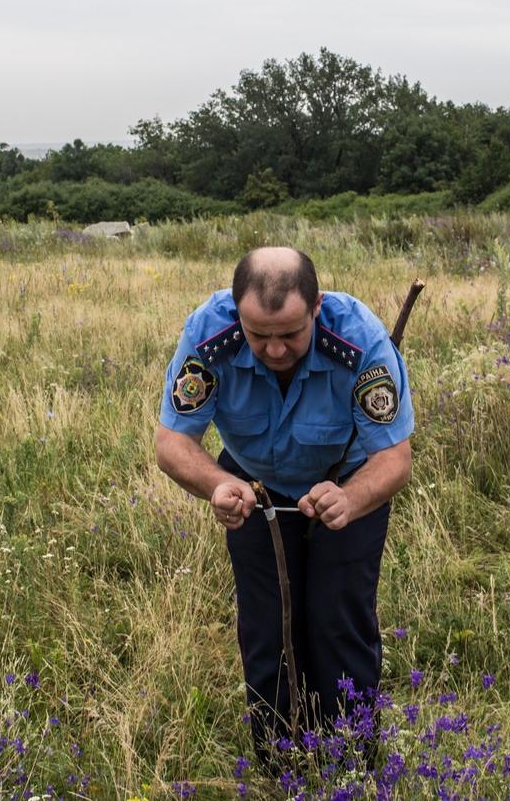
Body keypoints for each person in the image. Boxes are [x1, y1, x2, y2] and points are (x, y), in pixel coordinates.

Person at [154, 247, 414, 753]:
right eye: (259, 336)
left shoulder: (359, 338)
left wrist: (350, 499)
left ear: (317, 306)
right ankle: (280, 757)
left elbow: (394, 459)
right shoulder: (208, 335)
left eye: (291, 335)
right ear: (236, 312)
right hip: (253, 484)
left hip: (347, 482)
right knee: (269, 622)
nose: (274, 351)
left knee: (338, 617)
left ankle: (351, 759)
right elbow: (172, 443)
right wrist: (216, 485)